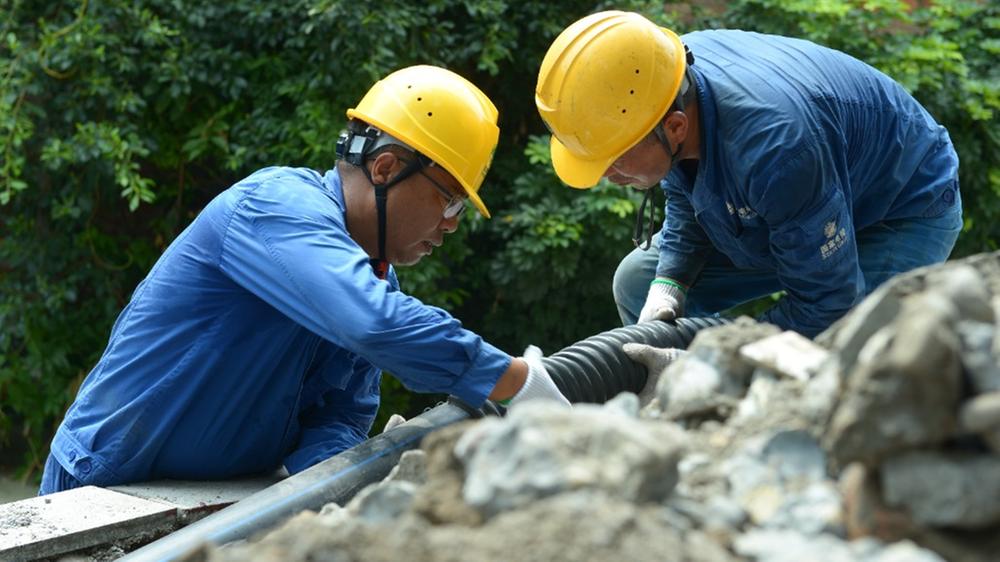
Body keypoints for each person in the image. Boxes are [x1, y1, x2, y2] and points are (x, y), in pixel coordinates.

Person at [39, 65, 569, 495]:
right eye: (449, 198)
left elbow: (339, 416)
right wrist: (515, 380)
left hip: (220, 502)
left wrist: (351, 477)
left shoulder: (374, 282)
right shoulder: (274, 209)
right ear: (385, 169)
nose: (452, 222)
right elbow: (372, 324)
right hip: (103, 487)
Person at [534, 11, 963, 338]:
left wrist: (723, 355)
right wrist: (671, 283)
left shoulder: (777, 149)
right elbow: (688, 190)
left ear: (675, 128)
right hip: (803, 200)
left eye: (613, 158)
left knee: (846, 346)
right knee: (638, 282)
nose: (606, 174)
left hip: (900, 206)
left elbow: (828, 303)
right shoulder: (656, 83)